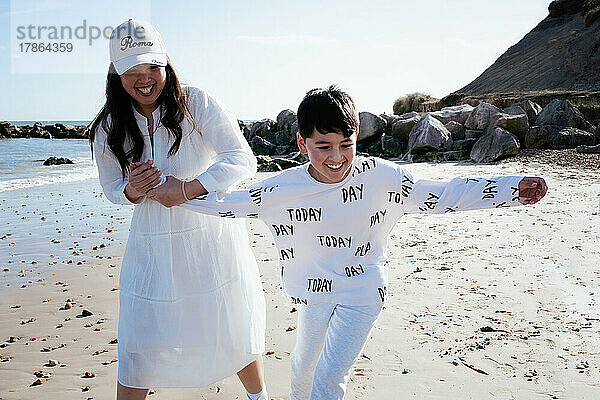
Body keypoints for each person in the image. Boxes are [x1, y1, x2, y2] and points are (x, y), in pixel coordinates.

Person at [147, 85, 548, 400]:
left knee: (328, 379)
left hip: (363, 290)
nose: (337, 157)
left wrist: (513, 188)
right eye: (323, 146)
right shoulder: (282, 188)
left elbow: (443, 193)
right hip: (313, 294)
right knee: (303, 367)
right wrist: (173, 190)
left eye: (346, 144)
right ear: (302, 144)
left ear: (358, 137)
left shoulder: (381, 177)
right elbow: (227, 204)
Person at [89, 19, 269, 400]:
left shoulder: (196, 102)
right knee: (139, 339)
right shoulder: (109, 126)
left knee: (228, 323)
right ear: (115, 73)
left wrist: (187, 189)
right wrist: (133, 190)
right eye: (131, 70)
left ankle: (260, 397)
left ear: (166, 63)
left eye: (151, 66)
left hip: (209, 237)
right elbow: (111, 187)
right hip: (152, 244)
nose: (144, 79)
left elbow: (242, 159)